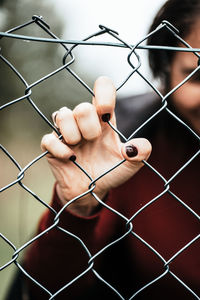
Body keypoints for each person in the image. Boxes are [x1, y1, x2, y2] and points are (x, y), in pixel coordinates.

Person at [6, 0, 200, 299]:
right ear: (167, 72)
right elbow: (48, 289)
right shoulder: (127, 140)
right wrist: (76, 207)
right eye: (196, 76)